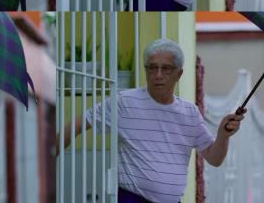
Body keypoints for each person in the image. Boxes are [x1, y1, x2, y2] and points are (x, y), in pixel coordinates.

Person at [59, 38, 246, 203]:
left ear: (179, 74)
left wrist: (223, 135)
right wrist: (49, 155)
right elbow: (80, 123)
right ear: (146, 70)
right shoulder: (124, 102)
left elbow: (214, 158)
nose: (158, 74)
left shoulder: (190, 112)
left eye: (166, 68)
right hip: (131, 198)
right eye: (152, 67)